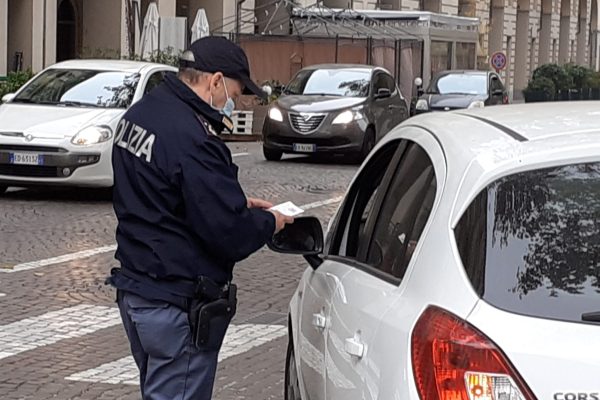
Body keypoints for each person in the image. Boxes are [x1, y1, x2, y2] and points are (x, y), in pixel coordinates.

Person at [106, 36, 293, 400]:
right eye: (236, 94)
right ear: (215, 80)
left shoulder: (141, 114)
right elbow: (229, 233)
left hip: (136, 291)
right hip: (176, 302)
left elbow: (167, 195)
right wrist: (272, 222)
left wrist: (232, 202)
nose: (233, 103)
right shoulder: (194, 138)